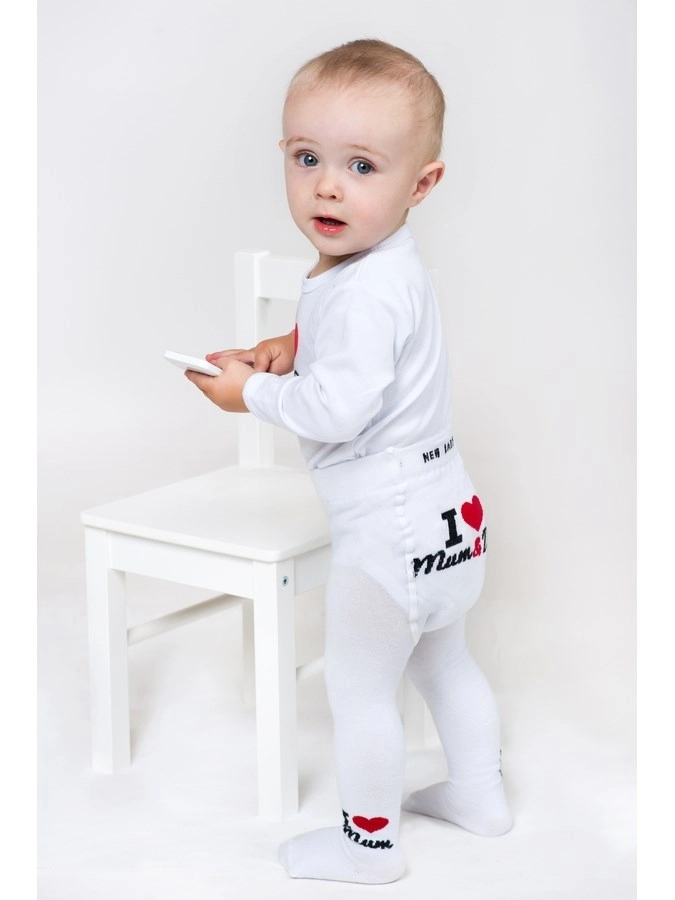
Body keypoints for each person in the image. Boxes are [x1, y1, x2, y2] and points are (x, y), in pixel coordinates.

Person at [186, 38, 513, 885]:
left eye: (361, 166)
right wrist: (290, 346)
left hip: (387, 530)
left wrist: (250, 394)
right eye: (307, 158)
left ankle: (368, 847)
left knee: (361, 691)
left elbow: (340, 410)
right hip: (448, 514)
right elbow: (365, 352)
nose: (327, 186)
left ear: (422, 184)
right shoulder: (386, 266)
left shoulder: (362, 287)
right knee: (444, 659)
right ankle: (478, 794)